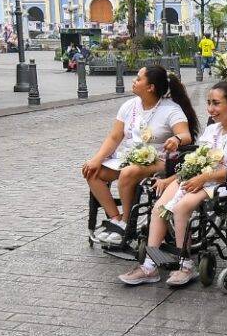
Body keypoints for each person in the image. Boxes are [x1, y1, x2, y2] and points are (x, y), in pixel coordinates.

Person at [121, 77, 227, 287]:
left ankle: (186, 265)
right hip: (197, 177)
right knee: (159, 207)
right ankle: (150, 266)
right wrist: (170, 179)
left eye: (216, 103)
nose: (211, 109)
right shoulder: (212, 129)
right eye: (209, 103)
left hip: (223, 182)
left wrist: (205, 177)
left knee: (182, 206)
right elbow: (195, 161)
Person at [81, 64, 198, 245]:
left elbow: (186, 135)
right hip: (130, 156)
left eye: (138, 79)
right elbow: (114, 137)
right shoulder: (129, 106)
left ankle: (128, 223)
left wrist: (176, 139)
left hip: (159, 159)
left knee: (128, 173)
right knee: (91, 171)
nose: (134, 82)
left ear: (150, 87)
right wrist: (96, 159)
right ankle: (116, 218)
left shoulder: (171, 109)